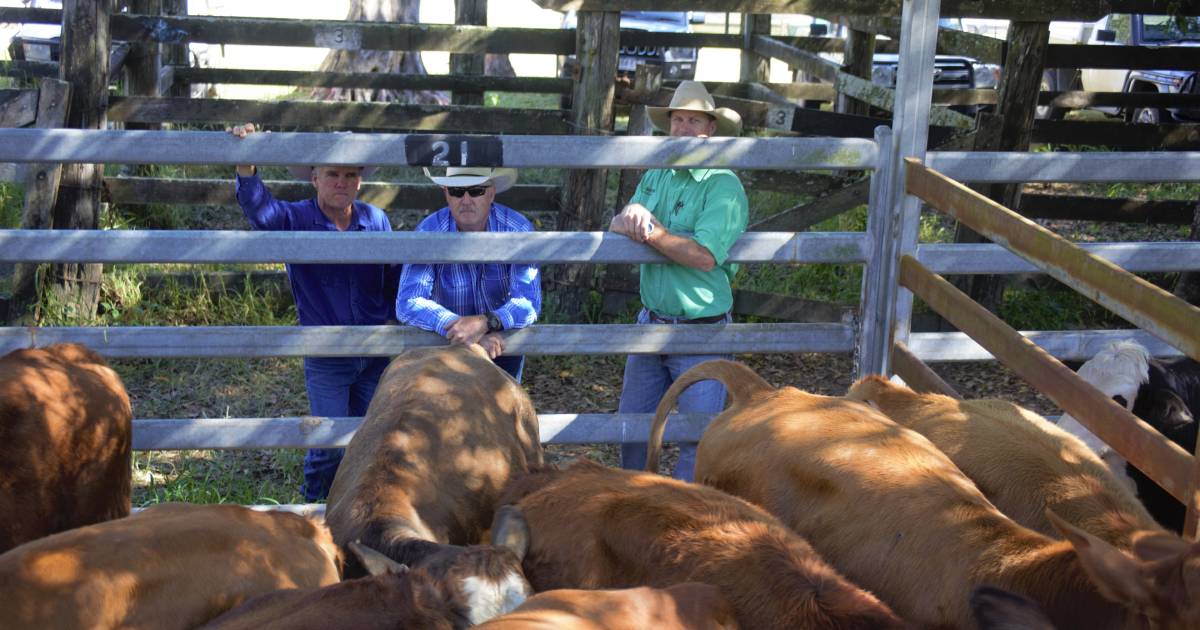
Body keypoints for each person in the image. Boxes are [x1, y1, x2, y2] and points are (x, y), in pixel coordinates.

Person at [229, 123, 399, 502]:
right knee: (326, 443)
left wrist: (392, 323)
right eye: (333, 174)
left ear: (360, 181)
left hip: (373, 351)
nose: (342, 182)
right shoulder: (297, 218)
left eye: (350, 174)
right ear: (314, 178)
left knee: (367, 436)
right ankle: (313, 508)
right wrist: (246, 167)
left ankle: (357, 506)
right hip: (326, 354)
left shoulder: (375, 220)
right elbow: (262, 213)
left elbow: (393, 276)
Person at [608, 81, 749, 482]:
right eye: (678, 120)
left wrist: (651, 233)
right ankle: (634, 500)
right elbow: (618, 221)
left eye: (694, 121)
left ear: (710, 129)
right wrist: (632, 213)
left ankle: (683, 514)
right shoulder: (659, 172)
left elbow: (704, 256)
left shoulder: (723, 185)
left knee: (697, 439)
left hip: (699, 331)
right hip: (651, 322)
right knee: (631, 426)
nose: (684, 128)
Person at [395, 167, 541, 381]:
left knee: (503, 410)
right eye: (456, 191)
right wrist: (464, 332)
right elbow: (408, 302)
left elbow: (528, 302)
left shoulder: (517, 229)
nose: (465, 199)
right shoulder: (429, 231)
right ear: (446, 193)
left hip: (499, 342)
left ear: (491, 193)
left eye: (475, 191)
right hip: (446, 344)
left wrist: (484, 324)